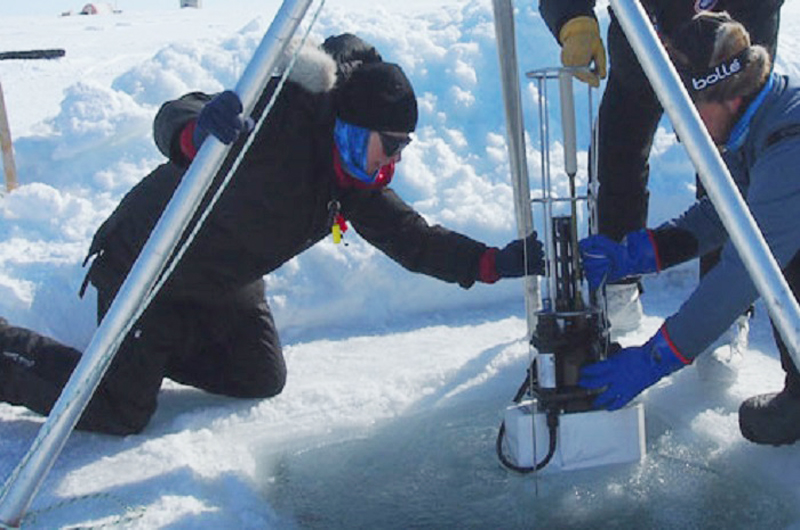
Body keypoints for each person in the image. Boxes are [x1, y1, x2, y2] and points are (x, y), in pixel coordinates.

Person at [0, 34, 545, 435]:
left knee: (260, 375)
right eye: (391, 142)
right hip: (150, 264)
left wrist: (492, 263)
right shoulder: (282, 120)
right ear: (355, 130)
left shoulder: (352, 179)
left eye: (403, 144)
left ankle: (148, 349)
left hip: (225, 278)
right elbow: (174, 113)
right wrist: (196, 132)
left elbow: (413, 238)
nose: (396, 157)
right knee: (121, 410)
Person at [576, 11, 800, 446]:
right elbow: (724, 213)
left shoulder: (790, 147)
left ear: (728, 97)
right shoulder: (758, 121)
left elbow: (744, 270)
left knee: (783, 268)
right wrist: (641, 251)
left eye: (690, 113)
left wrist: (654, 358)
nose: (682, 130)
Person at [537, 0, 784, 336]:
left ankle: (726, 311)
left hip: (733, 39)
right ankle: (617, 290)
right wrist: (573, 19)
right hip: (643, 36)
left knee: (728, 167)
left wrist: (730, 67)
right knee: (618, 153)